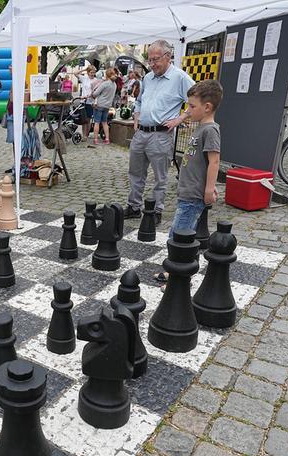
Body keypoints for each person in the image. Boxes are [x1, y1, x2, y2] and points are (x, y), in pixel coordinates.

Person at [154, 80, 222, 283]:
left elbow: (214, 160)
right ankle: (180, 269)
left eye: (192, 106)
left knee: (179, 239)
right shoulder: (201, 127)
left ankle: (177, 276)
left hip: (193, 195)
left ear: (207, 107)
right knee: (179, 234)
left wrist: (210, 188)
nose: (188, 110)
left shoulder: (210, 130)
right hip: (187, 192)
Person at [126, 39, 195, 223]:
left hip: (161, 134)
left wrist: (180, 118)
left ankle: (156, 211)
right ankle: (133, 206)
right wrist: (136, 115)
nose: (152, 64)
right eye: (150, 60)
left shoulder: (180, 77)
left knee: (160, 177)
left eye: (156, 59)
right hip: (141, 132)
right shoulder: (148, 78)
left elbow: (198, 99)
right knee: (135, 173)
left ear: (168, 56)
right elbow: (139, 100)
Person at [90, 68, 117, 145]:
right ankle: (107, 139)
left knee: (97, 122)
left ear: (106, 75)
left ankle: (95, 139)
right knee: (105, 122)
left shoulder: (105, 84)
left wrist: (92, 93)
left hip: (100, 105)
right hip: (107, 106)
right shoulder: (114, 84)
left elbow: (95, 94)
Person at [76, 68, 94, 140]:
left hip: (90, 101)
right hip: (83, 101)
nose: (92, 74)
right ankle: (84, 135)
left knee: (88, 119)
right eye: (91, 72)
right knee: (83, 119)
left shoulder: (95, 80)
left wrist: (89, 96)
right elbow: (75, 73)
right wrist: (84, 69)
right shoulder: (84, 78)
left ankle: (87, 134)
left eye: (93, 72)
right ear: (88, 72)